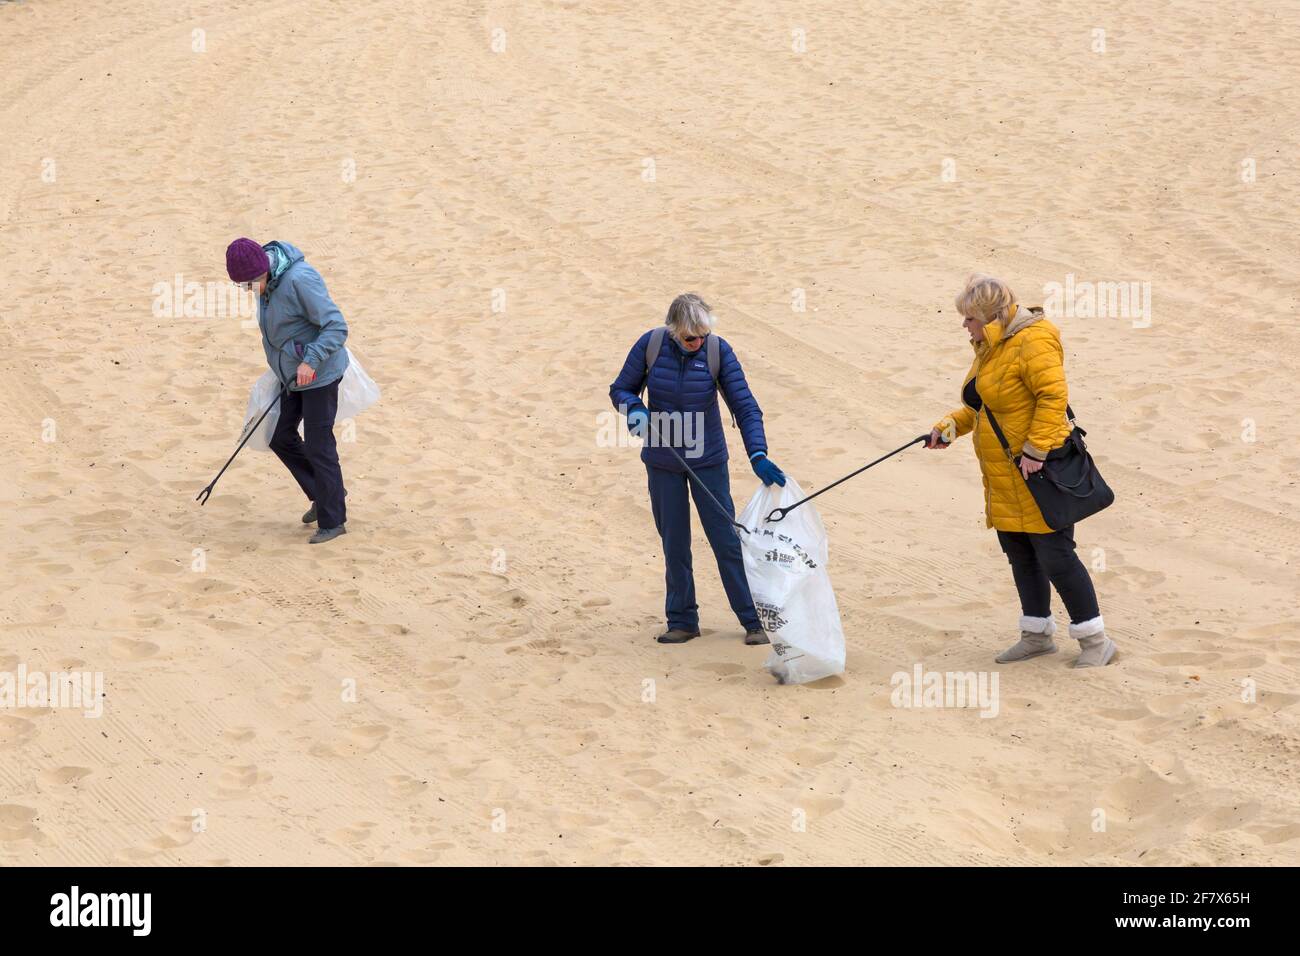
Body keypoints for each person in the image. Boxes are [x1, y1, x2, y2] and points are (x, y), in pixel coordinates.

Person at [926, 274, 1116, 667]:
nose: (964, 325)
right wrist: (950, 427)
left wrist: (1036, 450)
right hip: (1004, 474)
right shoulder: (990, 345)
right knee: (1020, 553)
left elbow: (1053, 397)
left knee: (1056, 555)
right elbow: (985, 407)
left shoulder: (1033, 340)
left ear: (989, 316)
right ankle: (1036, 636)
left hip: (1036, 471)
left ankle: (1096, 642)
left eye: (969, 318)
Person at [610, 294, 786, 645]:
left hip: (708, 461)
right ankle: (682, 621)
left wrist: (758, 454)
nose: (698, 343)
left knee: (726, 541)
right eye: (691, 337)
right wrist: (634, 409)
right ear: (674, 330)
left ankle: (753, 621)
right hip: (663, 462)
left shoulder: (718, 351)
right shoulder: (651, 345)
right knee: (674, 543)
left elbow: (746, 407)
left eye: (703, 335)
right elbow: (621, 389)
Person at [226, 238, 350, 544]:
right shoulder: (265, 283)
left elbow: (336, 327)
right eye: (242, 286)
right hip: (291, 376)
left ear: (263, 270)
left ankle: (333, 521)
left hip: (319, 374)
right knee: (279, 435)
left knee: (320, 446)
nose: (248, 291)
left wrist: (310, 361)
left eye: (249, 285)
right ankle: (325, 492)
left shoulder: (300, 280)